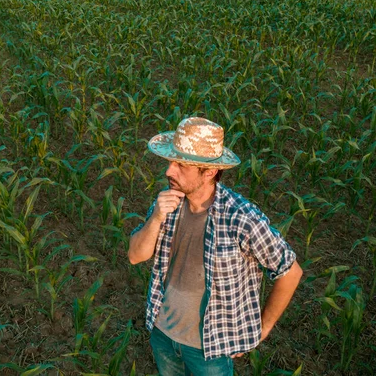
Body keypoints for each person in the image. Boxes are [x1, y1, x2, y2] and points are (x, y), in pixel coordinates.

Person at [129, 117, 303, 376]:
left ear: (209, 172)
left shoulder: (241, 218)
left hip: (209, 349)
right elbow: (135, 256)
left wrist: (261, 329)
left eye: (181, 165)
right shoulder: (168, 204)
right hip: (163, 334)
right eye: (170, 162)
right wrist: (156, 218)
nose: (169, 171)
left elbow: (290, 271)